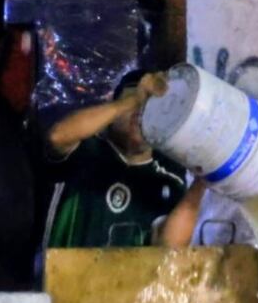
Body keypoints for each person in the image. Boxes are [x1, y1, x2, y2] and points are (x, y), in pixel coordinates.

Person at [41, 69, 206, 249]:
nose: (141, 112)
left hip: (128, 277)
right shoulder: (85, 151)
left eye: (151, 107)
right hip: (61, 276)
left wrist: (204, 177)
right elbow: (58, 136)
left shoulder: (168, 182)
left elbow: (169, 247)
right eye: (135, 106)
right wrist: (132, 100)